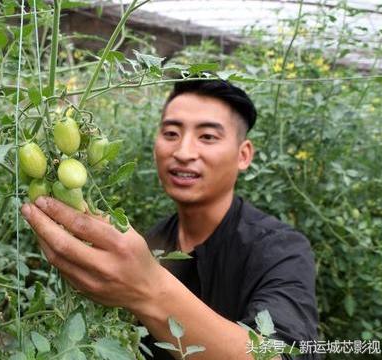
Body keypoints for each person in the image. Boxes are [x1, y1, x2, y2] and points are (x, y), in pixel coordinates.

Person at [20, 79, 319, 359]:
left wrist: (147, 290)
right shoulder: (151, 239)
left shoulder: (282, 250)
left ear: (244, 155)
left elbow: (278, 354)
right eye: (171, 133)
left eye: (208, 136)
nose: (183, 152)